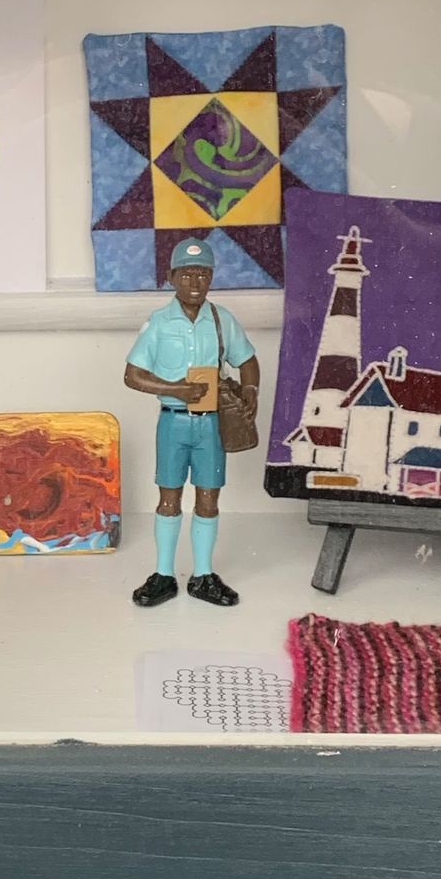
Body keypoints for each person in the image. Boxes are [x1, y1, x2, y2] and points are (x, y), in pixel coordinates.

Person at [123, 235, 259, 607]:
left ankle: (202, 574)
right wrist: (174, 389)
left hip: (211, 425)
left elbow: (247, 359)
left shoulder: (221, 319)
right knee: (168, 497)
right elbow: (132, 375)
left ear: (212, 278)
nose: (195, 282)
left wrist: (251, 391)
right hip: (173, 422)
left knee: (209, 497)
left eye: (202, 274)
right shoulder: (159, 323)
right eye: (186, 275)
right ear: (171, 277)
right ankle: (164, 574)